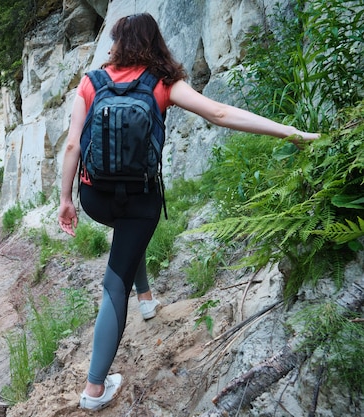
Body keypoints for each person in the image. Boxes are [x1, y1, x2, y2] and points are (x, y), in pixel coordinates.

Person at [57, 12, 320, 411]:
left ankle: (145, 297)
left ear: (117, 42)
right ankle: (95, 390)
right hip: (141, 199)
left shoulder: (91, 83)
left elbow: (74, 146)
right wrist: (293, 132)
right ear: (154, 41)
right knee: (118, 274)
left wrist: (66, 200)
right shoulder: (162, 82)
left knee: (126, 241)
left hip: (95, 199)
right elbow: (220, 113)